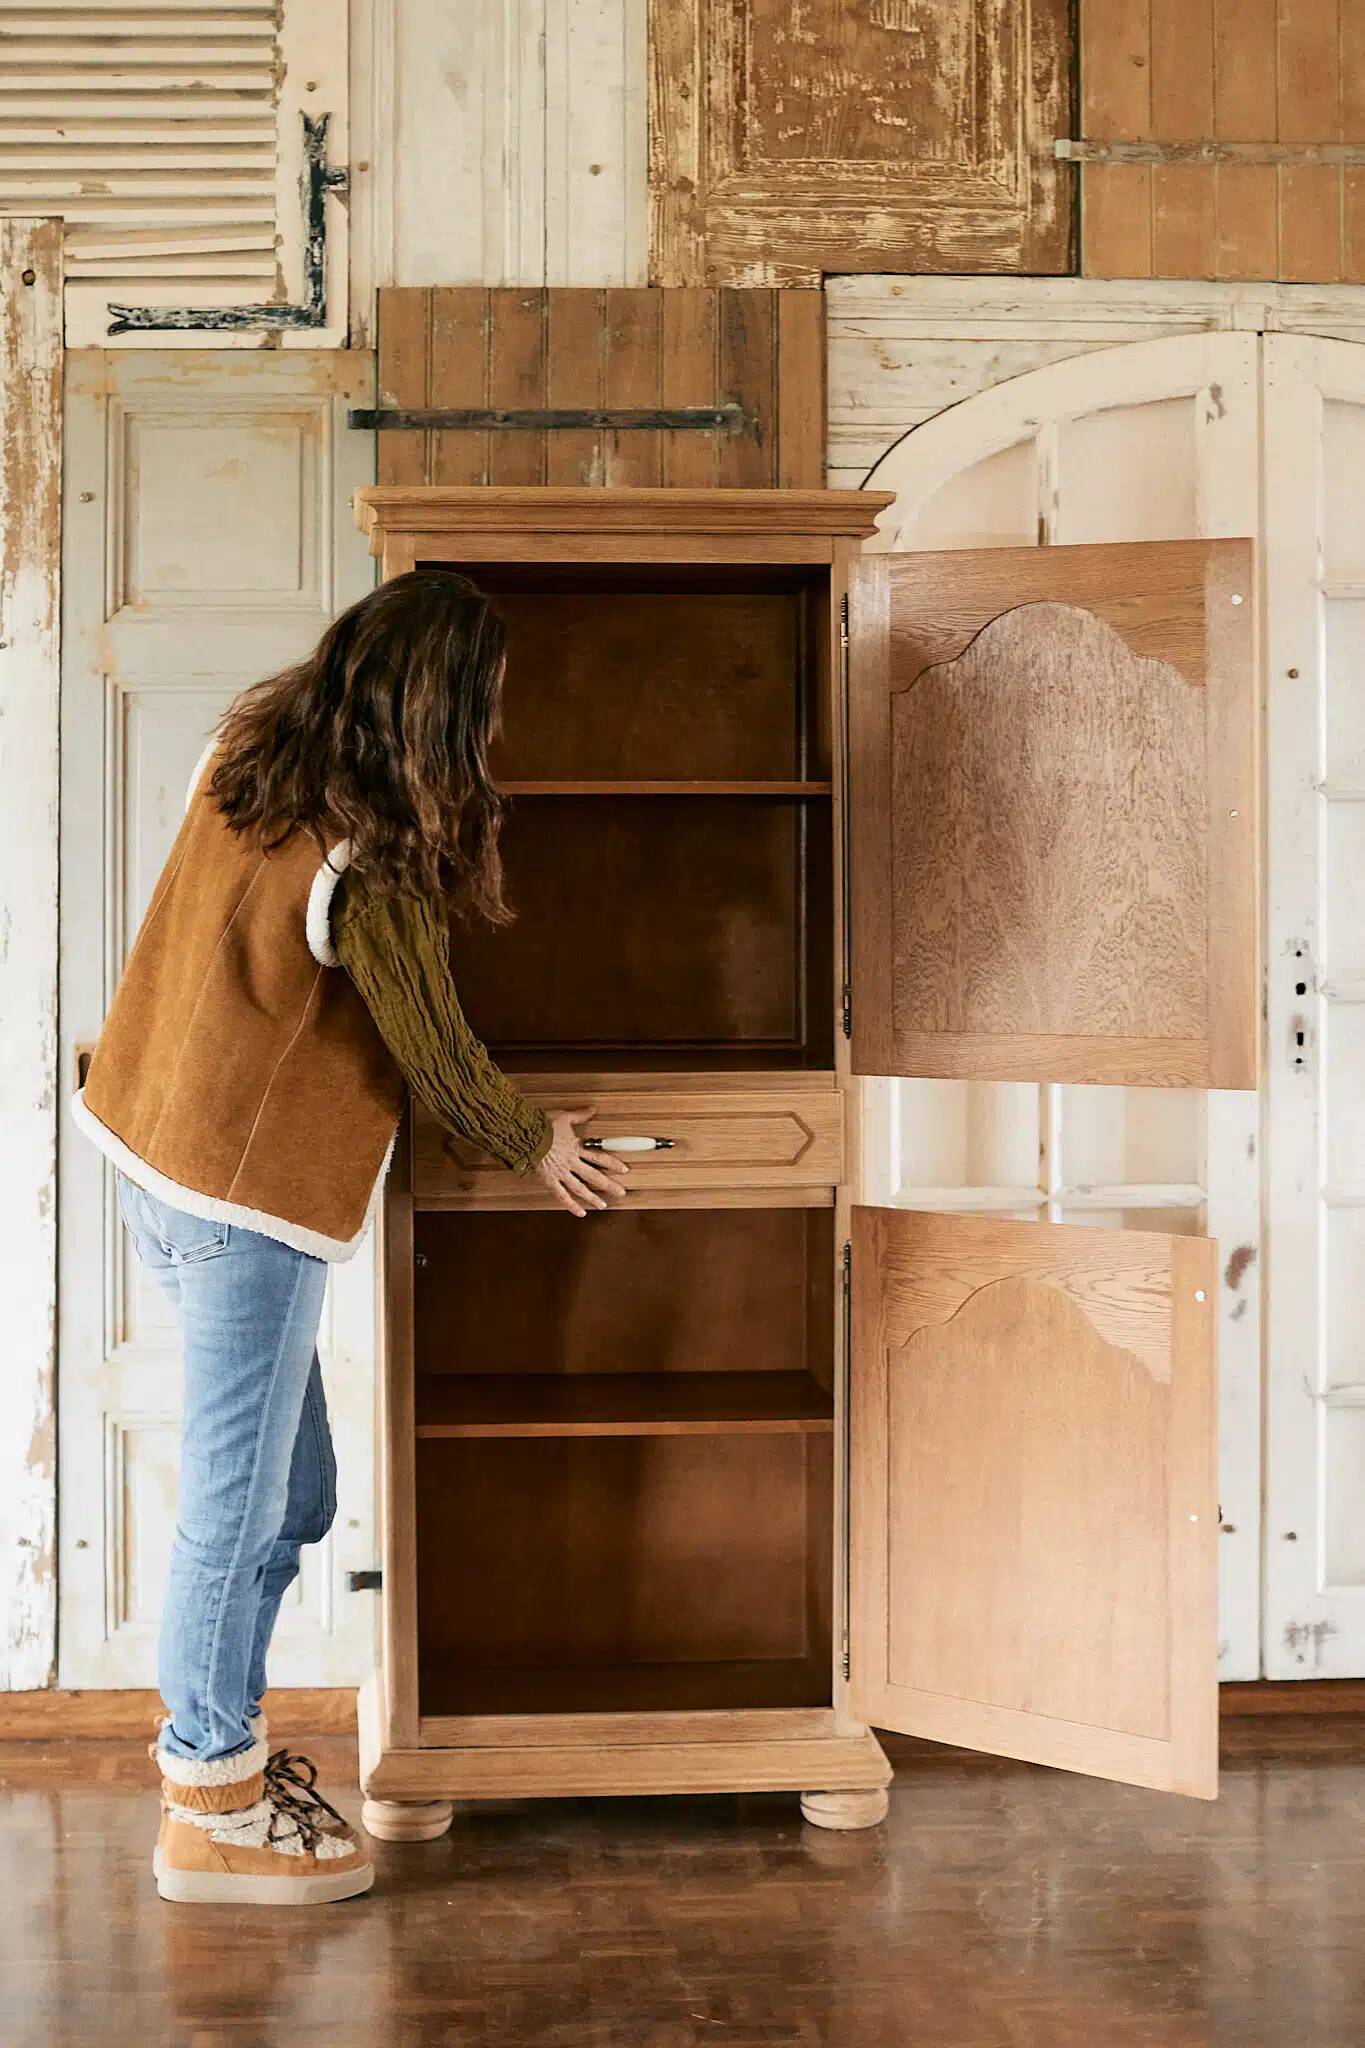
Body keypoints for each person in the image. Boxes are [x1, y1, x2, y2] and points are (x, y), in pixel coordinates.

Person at [72, 569, 629, 1905]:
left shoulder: (255, 747)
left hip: (150, 1151)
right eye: (482, 713)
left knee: (295, 1499)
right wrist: (536, 1142)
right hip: (241, 1209)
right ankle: (206, 1796)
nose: (490, 739)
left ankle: (228, 1761)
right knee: (235, 1512)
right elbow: (433, 1052)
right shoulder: (364, 853)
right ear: (434, 709)